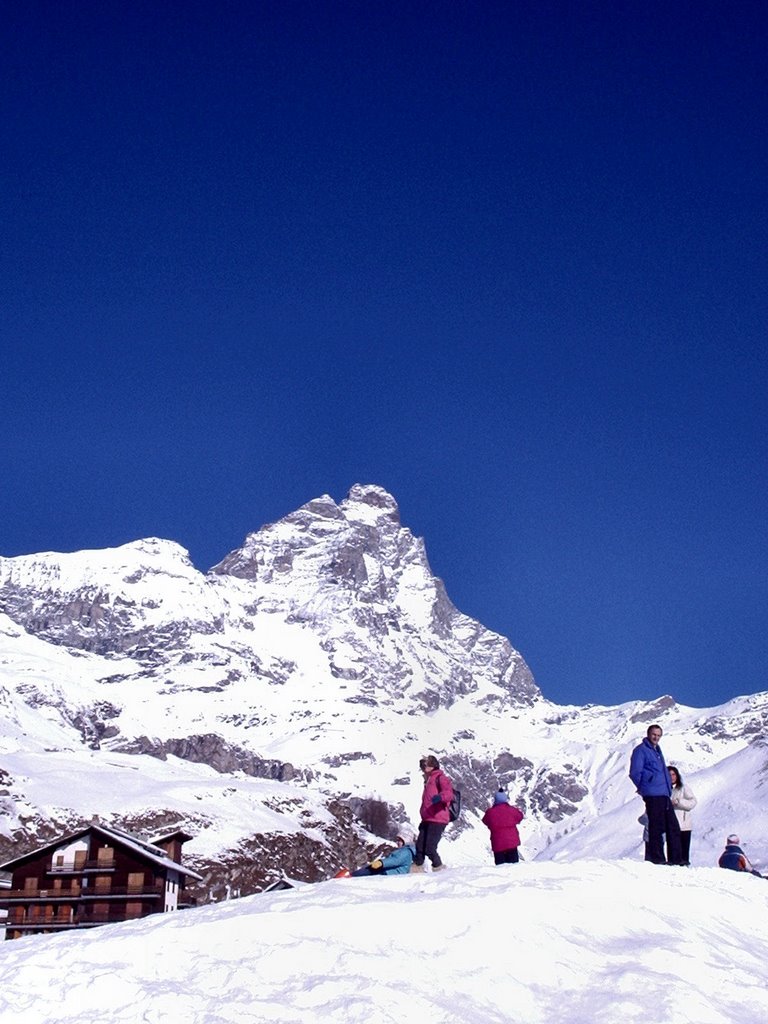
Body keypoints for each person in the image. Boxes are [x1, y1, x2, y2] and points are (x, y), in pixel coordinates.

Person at [628, 724, 683, 865]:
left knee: (673, 827)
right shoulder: (641, 750)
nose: (656, 737)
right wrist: (644, 788)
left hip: (664, 794)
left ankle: (676, 859)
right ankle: (657, 859)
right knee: (656, 827)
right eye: (654, 734)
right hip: (653, 794)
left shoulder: (657, 751)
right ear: (648, 734)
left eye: (658, 735)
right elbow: (635, 772)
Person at [410, 755, 454, 873]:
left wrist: (440, 797)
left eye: (425, 765)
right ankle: (417, 867)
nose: (423, 768)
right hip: (428, 818)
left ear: (432, 766)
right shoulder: (428, 779)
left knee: (430, 847)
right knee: (420, 847)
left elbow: (449, 794)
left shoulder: (440, 777)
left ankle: (439, 868)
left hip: (438, 817)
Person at [482, 789, 524, 864]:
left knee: (501, 870)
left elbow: (485, 821)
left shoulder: (490, 812)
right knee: (514, 868)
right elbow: (520, 816)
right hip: (512, 843)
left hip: (497, 844)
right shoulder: (512, 810)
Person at [351, 831, 417, 877]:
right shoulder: (404, 851)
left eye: (399, 840)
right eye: (397, 840)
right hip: (389, 872)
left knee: (369, 870)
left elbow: (395, 860)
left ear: (405, 840)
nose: (397, 842)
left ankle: (351, 876)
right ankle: (352, 875)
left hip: (392, 874)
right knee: (369, 869)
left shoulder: (405, 852)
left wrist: (381, 863)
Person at [668, 766, 697, 866]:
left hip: (684, 825)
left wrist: (678, 802)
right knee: (672, 852)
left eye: (673, 774)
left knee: (683, 854)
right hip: (671, 825)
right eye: (669, 775)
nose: (671, 777)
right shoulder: (666, 789)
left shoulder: (683, 788)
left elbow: (693, 802)